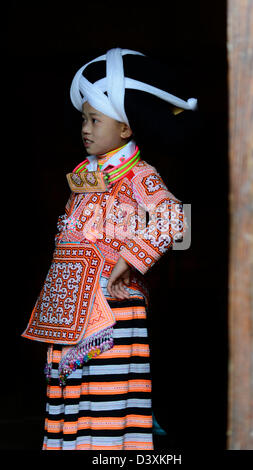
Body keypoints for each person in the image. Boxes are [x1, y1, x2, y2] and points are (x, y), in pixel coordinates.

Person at [22, 48, 197, 451]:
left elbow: (174, 219)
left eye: (94, 119)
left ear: (124, 129)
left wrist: (129, 259)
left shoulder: (139, 174)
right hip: (71, 307)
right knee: (72, 399)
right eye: (83, 118)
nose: (84, 127)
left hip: (112, 303)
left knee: (107, 400)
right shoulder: (84, 173)